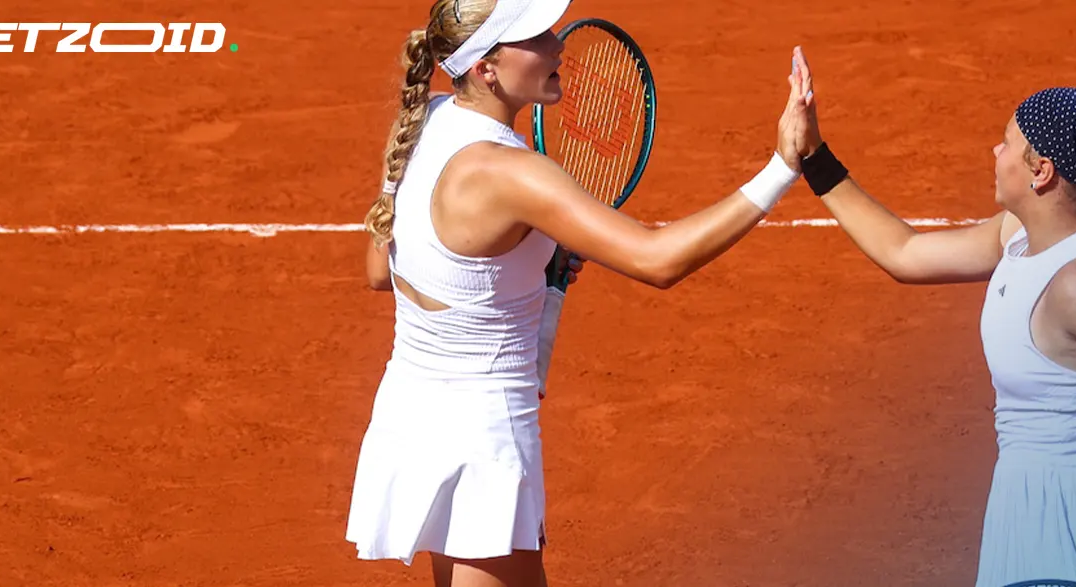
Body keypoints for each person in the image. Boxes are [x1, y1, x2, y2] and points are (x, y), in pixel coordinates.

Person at [344, 0, 820, 584]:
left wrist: (525, 267)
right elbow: (658, 260)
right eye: (535, 37)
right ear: (486, 68)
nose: (557, 45)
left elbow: (380, 268)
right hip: (481, 434)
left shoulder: (424, 122)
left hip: (412, 409)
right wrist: (782, 167)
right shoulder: (513, 174)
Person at [782, 51, 1076, 587]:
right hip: (1026, 510)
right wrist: (814, 156)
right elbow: (905, 253)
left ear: (1040, 171)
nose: (995, 150)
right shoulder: (1018, 235)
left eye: (1007, 142)